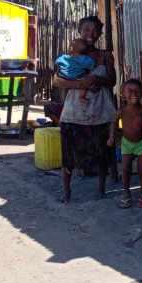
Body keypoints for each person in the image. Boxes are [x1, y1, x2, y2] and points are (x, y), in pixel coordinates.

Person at [54, 16, 116, 203]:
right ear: (80, 31)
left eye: (95, 30)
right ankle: (67, 192)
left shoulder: (105, 56)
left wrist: (96, 80)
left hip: (100, 111)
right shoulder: (71, 55)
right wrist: (81, 83)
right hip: (74, 112)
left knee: (101, 152)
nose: (91, 34)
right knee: (69, 154)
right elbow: (57, 81)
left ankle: (101, 188)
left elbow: (112, 81)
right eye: (87, 29)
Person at [109, 78, 142, 209]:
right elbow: (113, 124)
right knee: (125, 169)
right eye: (129, 91)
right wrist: (111, 137)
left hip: (141, 143)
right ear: (123, 94)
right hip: (126, 143)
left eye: (137, 91)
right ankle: (126, 194)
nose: (134, 94)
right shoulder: (121, 111)